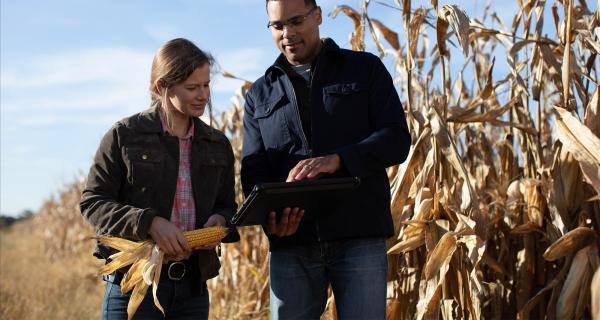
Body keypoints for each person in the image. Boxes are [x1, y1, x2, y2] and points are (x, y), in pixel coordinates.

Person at [241, 0, 411, 318]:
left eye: (295, 21)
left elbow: (396, 139)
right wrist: (271, 219)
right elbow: (254, 171)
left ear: (317, 15)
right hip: (291, 244)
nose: (287, 33)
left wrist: (339, 159)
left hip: (358, 235)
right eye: (277, 26)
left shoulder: (365, 69)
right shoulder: (259, 94)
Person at [80, 38, 239, 320]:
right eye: (192, 88)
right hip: (135, 286)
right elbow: (93, 203)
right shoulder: (124, 135)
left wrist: (220, 221)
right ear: (161, 87)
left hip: (193, 289)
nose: (203, 95)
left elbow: (227, 205)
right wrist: (149, 223)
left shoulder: (217, 144)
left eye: (206, 85)